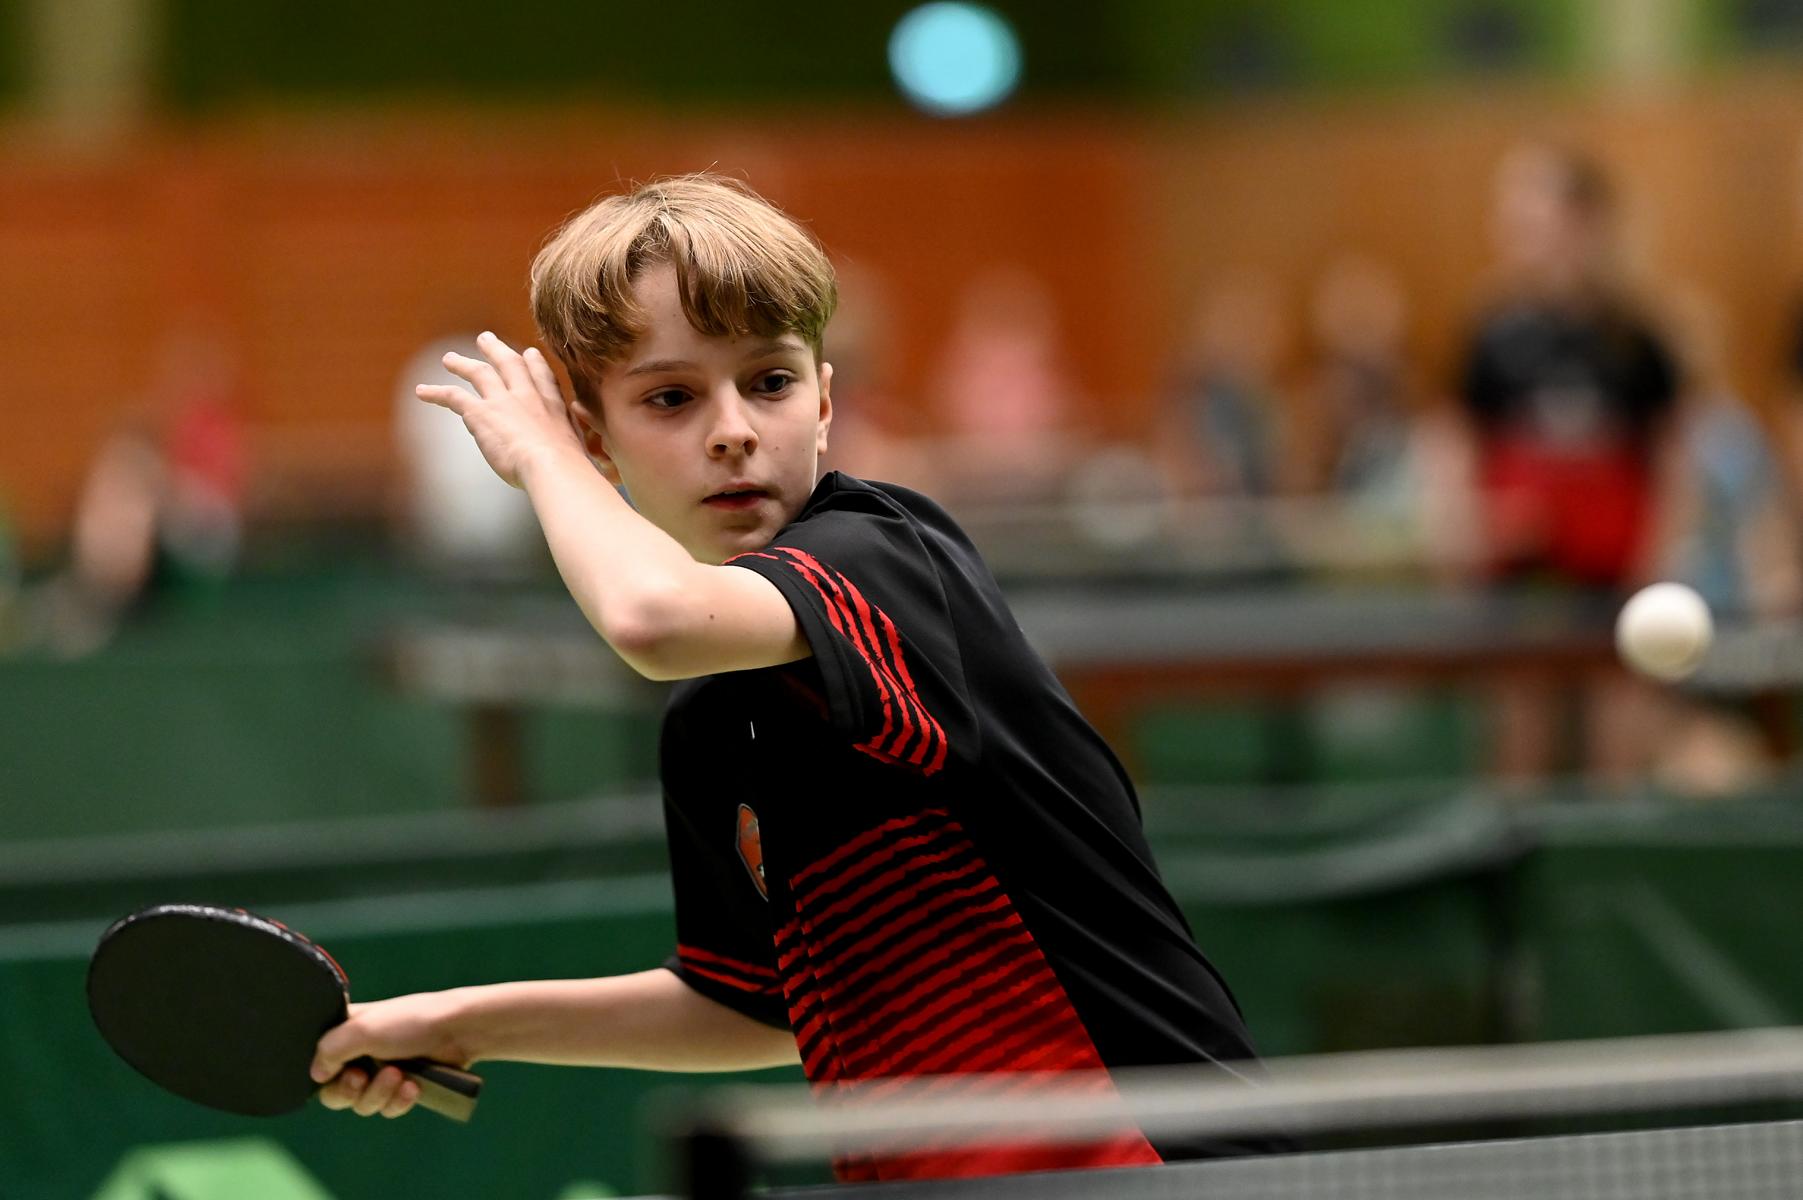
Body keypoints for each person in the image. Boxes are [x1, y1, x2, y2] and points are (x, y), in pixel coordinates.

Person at [308, 174, 1278, 1179]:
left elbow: (650, 616)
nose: (732, 428)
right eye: (672, 397)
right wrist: (457, 1023)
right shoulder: (710, 721)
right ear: (604, 436)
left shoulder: (887, 558)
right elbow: (753, 1003)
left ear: (823, 402)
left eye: (769, 382)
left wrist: (544, 460)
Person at [1456, 143, 1682, 786]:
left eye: (1530, 208)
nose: (1511, 224)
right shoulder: (1494, 332)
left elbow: (1671, 455)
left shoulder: (1635, 336)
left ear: (1582, 219)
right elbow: (1461, 444)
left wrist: (1657, 557)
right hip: (1522, 580)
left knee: (1618, 752)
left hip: (1615, 581)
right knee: (1519, 746)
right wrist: (1477, 528)